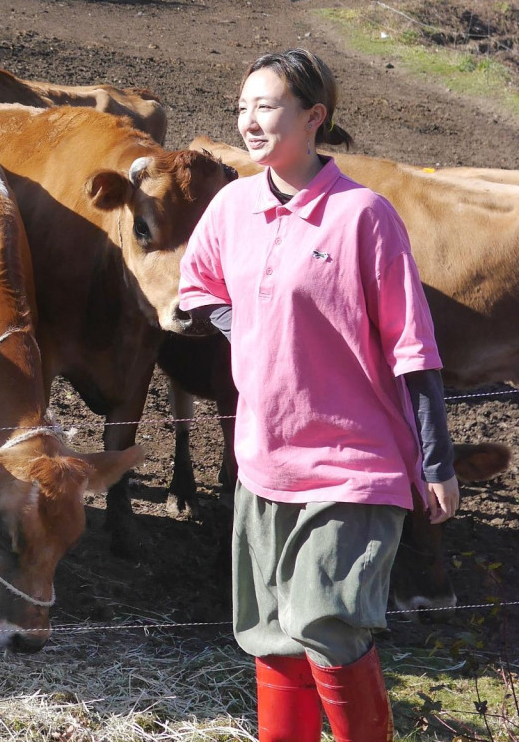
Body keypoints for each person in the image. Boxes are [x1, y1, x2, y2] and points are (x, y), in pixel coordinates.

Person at [177, 49, 459, 742]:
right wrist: (246, 323)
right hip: (264, 459)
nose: (248, 120)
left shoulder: (364, 216)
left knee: (326, 622)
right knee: (272, 633)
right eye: (242, 106)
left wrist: (437, 459)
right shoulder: (232, 205)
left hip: (354, 465)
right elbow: (197, 285)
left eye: (265, 105)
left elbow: (414, 347)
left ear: (314, 117)